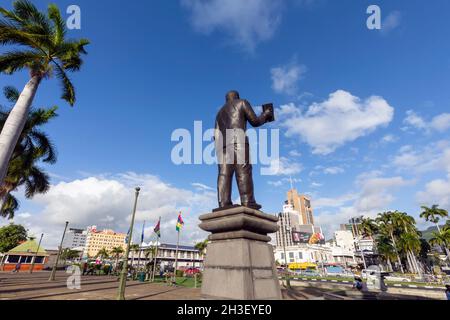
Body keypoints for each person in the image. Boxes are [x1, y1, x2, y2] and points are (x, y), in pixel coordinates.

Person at [214, 91, 273, 210]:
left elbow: (215, 135)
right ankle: (247, 201)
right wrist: (266, 114)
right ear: (237, 97)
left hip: (223, 146)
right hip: (239, 140)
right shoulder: (242, 103)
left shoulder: (219, 113)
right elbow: (255, 121)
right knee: (243, 171)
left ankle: (223, 203)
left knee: (224, 174)